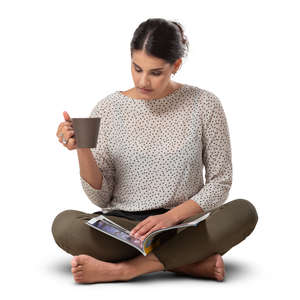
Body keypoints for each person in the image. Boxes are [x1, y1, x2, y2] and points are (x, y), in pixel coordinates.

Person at [52, 18, 258, 284]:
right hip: (127, 230)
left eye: (155, 72)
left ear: (176, 66)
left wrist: (171, 217)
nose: (143, 81)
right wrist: (82, 148)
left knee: (244, 211)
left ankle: (127, 270)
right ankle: (185, 262)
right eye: (137, 68)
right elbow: (100, 198)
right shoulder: (108, 109)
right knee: (64, 225)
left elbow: (221, 181)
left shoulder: (204, 104)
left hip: (185, 226)